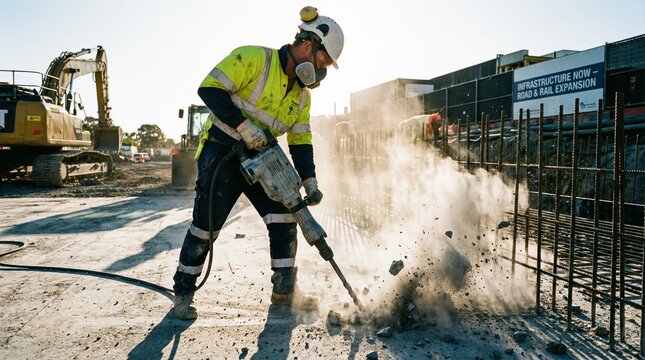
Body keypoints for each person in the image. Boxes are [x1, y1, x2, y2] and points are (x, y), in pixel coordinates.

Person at [172, 7, 344, 320]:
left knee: (285, 217)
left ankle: (284, 294)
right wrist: (243, 127)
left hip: (263, 158)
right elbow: (209, 89)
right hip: (222, 150)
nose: (322, 71)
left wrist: (309, 181)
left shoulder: (303, 98)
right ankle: (183, 292)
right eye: (323, 62)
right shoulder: (253, 58)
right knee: (205, 227)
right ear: (308, 46)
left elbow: (301, 141)